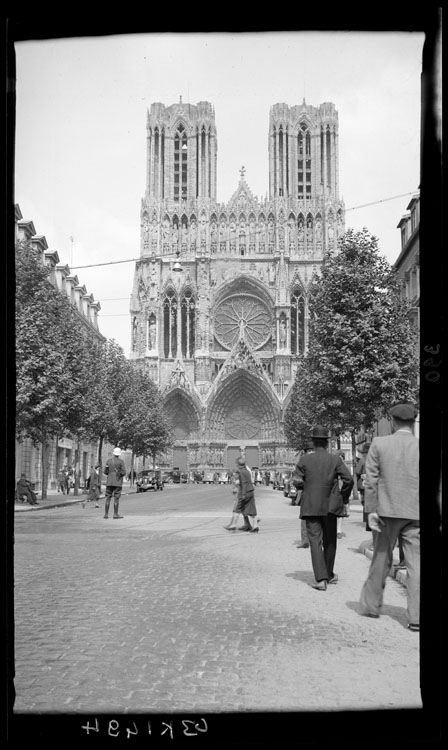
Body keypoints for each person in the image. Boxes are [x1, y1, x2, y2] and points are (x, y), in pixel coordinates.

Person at [359, 402, 420, 631]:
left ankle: (371, 605)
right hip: (414, 514)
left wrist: (371, 511)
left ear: (393, 422)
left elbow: (371, 480)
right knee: (416, 565)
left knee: (381, 559)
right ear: (413, 422)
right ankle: (416, 617)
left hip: (385, 512)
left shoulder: (379, 443)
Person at [293, 426, 353, 590]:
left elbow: (297, 481)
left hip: (311, 506)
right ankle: (329, 574)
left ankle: (321, 579)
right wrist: (343, 497)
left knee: (314, 541)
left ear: (313, 443)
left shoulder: (305, 460)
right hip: (331, 506)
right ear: (327, 443)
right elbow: (348, 480)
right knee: (330, 540)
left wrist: (306, 486)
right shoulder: (335, 460)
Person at [224, 458, 259, 533]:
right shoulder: (247, 471)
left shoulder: (241, 472)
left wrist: (243, 494)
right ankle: (255, 526)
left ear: (239, 465)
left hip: (245, 492)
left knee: (238, 508)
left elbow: (243, 483)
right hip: (251, 491)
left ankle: (233, 524)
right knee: (252, 509)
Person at [295, 442, 314, 549]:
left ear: (305, 452)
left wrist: (303, 486)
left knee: (305, 518)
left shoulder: (302, 463)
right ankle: (317, 539)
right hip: (320, 494)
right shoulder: (321, 462)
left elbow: (297, 481)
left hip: (307, 494)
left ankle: (305, 540)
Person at [104, 448, 127, 519]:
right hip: (117, 482)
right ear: (119, 454)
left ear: (114, 453)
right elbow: (124, 472)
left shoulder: (108, 461)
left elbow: (105, 472)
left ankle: (106, 514)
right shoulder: (121, 462)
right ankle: (115, 514)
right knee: (116, 498)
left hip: (109, 481)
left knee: (108, 498)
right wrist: (119, 473)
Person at [335, 451, 350, 539]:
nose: (341, 459)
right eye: (339, 457)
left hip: (342, 491)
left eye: (342, 457)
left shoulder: (346, 467)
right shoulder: (333, 466)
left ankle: (339, 531)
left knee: (341, 513)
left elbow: (349, 480)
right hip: (334, 491)